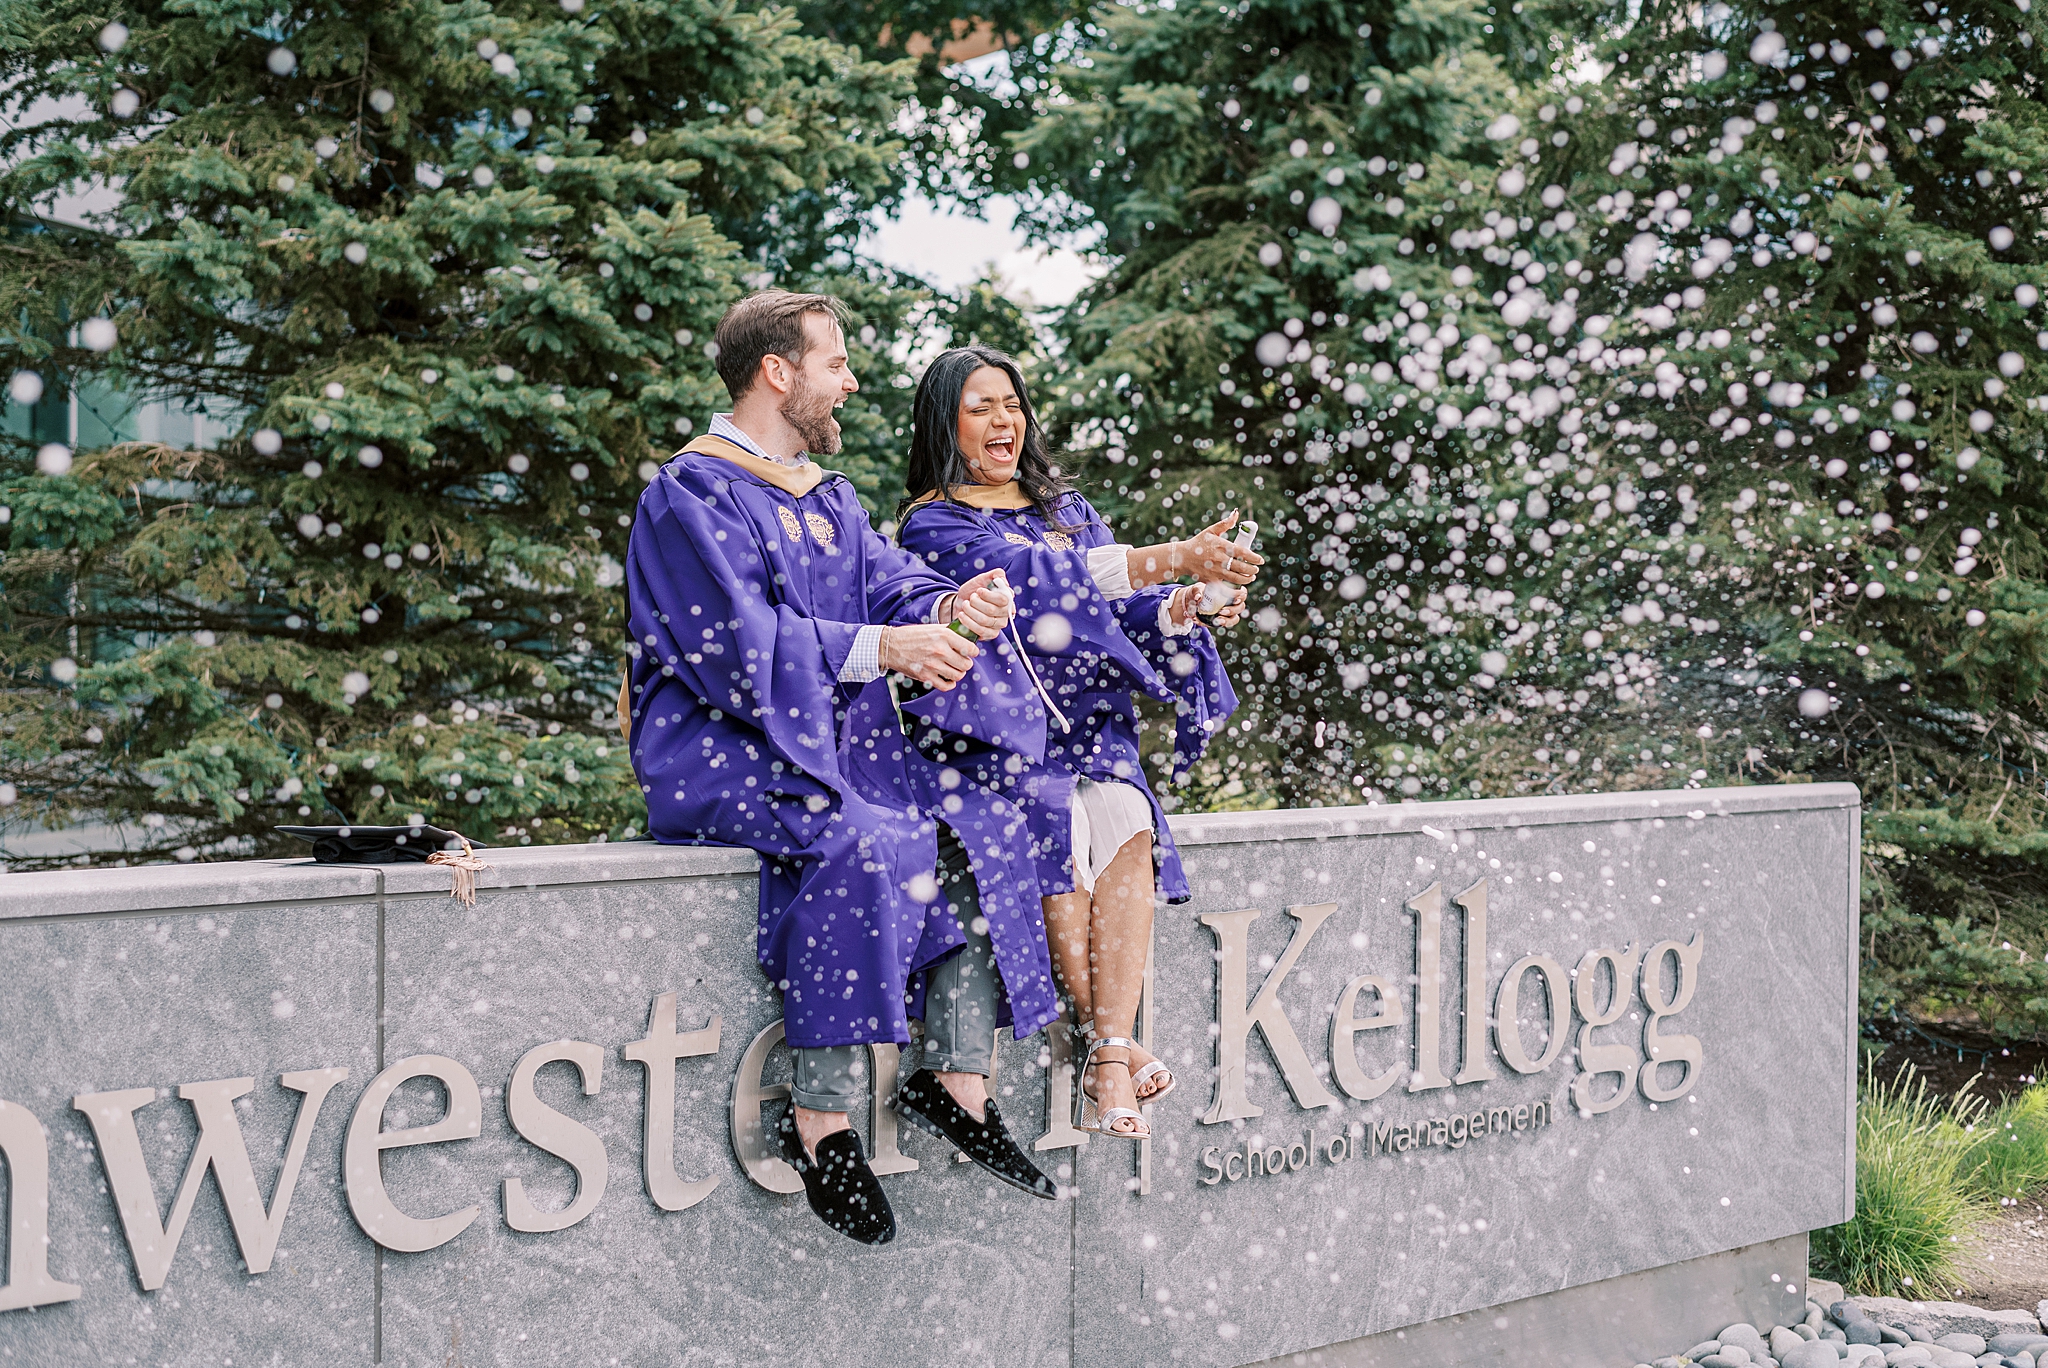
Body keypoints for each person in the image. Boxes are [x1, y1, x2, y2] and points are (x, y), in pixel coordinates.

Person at [623, 295, 1063, 1245]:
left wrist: (954, 603)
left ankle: (955, 1080)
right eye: (836, 361)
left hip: (828, 747)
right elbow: (731, 648)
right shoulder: (691, 495)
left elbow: (888, 581)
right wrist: (884, 648)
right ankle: (818, 1122)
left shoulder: (825, 495)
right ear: (777, 373)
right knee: (867, 836)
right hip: (721, 750)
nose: (852, 380)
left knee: (976, 823)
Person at [897, 346, 1258, 1143]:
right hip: (1000, 742)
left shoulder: (1068, 511)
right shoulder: (935, 522)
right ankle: (1110, 1053)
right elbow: (1027, 582)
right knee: (1058, 818)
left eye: (1013, 404)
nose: (1005, 422)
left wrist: (1184, 602)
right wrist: (1170, 556)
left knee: (1125, 810)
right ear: (944, 422)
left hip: (1090, 728)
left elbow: (1112, 608)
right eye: (982, 407)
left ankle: (1107, 1046)